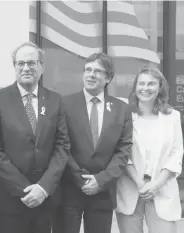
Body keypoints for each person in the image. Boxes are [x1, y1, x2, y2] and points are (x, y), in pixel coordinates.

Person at [0, 42, 70, 233]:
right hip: (9, 200)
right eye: (20, 63)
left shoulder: (56, 100)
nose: (26, 68)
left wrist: (43, 188)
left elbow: (62, 147)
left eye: (32, 63)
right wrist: (26, 189)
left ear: (42, 67)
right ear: (14, 67)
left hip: (45, 199)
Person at [56, 52, 133, 233]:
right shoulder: (64, 104)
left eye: (97, 71)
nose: (91, 75)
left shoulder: (121, 108)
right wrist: (79, 178)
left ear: (108, 77)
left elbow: (124, 149)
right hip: (69, 187)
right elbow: (60, 145)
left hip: (103, 191)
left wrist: (101, 179)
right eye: (88, 70)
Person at [115, 67, 184, 233]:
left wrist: (155, 184)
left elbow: (176, 153)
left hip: (162, 189)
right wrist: (140, 183)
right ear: (135, 86)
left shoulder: (172, 117)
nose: (145, 88)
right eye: (141, 83)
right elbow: (120, 152)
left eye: (151, 84)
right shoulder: (124, 115)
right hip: (131, 188)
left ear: (160, 86)